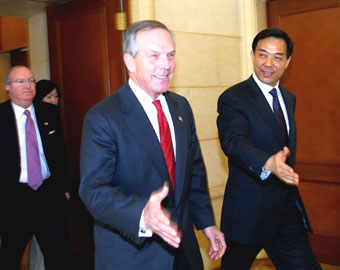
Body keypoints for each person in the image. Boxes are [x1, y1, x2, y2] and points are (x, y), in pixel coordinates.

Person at [79, 20, 226, 270]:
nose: (166, 65)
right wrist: (142, 215)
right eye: (154, 55)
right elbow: (94, 191)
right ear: (129, 62)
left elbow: (194, 172)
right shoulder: (103, 117)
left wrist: (207, 224)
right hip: (134, 255)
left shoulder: (181, 107)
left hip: (184, 251)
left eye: (170, 55)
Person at [217, 28, 321, 270]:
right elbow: (234, 141)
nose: (269, 63)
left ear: (288, 61)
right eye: (263, 55)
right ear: (252, 55)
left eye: (277, 57)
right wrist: (268, 163)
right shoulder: (234, 97)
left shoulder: (288, 97)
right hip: (248, 213)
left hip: (286, 212)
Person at [0, 66, 72, 270]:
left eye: (31, 81)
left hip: (48, 193)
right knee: (10, 254)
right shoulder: (1, 116)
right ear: (8, 87)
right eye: (20, 81)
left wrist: (64, 187)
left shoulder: (49, 112)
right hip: (14, 196)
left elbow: (59, 152)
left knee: (59, 253)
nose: (27, 86)